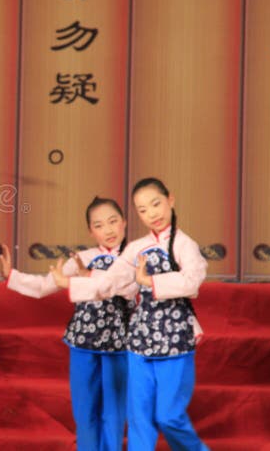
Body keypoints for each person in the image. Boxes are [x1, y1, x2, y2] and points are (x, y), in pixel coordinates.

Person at [57, 178, 209, 450]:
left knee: (168, 416)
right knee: (138, 417)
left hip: (175, 339)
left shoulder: (186, 245)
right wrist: (72, 283)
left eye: (156, 204)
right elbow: (111, 281)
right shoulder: (135, 248)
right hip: (139, 339)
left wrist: (151, 282)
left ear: (170, 200)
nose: (152, 214)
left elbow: (192, 282)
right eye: (142, 209)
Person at [9, 197, 131, 450]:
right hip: (82, 340)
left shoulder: (134, 258)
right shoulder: (81, 258)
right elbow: (46, 285)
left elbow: (129, 291)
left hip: (120, 342)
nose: (108, 230)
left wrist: (90, 277)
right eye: (99, 225)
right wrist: (12, 276)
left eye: (113, 222)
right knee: (85, 409)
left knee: (114, 412)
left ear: (124, 223)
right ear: (90, 231)